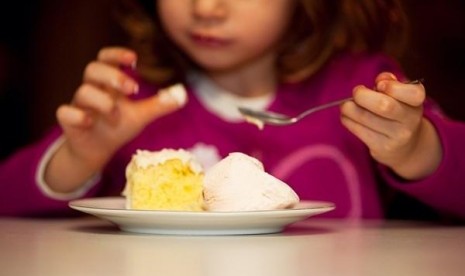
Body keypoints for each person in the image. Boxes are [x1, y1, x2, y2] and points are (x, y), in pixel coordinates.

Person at [1, 0, 464, 219]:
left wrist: (418, 148)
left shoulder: (361, 87)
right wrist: (78, 157)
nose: (206, 7)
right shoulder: (133, 100)